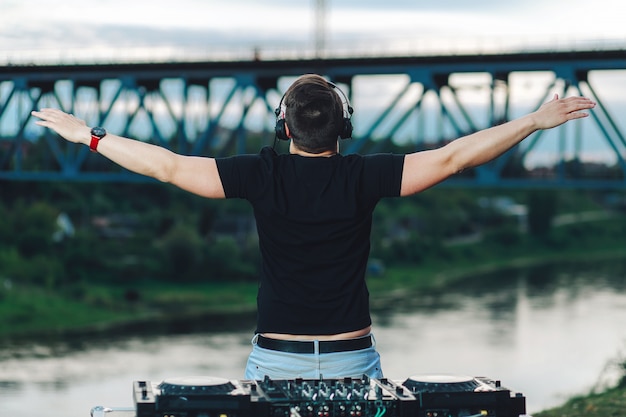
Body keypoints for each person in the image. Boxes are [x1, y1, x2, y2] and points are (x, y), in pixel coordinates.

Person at [31, 73, 595, 381]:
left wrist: (92, 137)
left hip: (276, 359)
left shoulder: (259, 174)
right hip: (354, 358)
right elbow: (455, 157)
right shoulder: (365, 177)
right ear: (344, 127)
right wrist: (534, 120)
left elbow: (168, 166)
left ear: (284, 128)